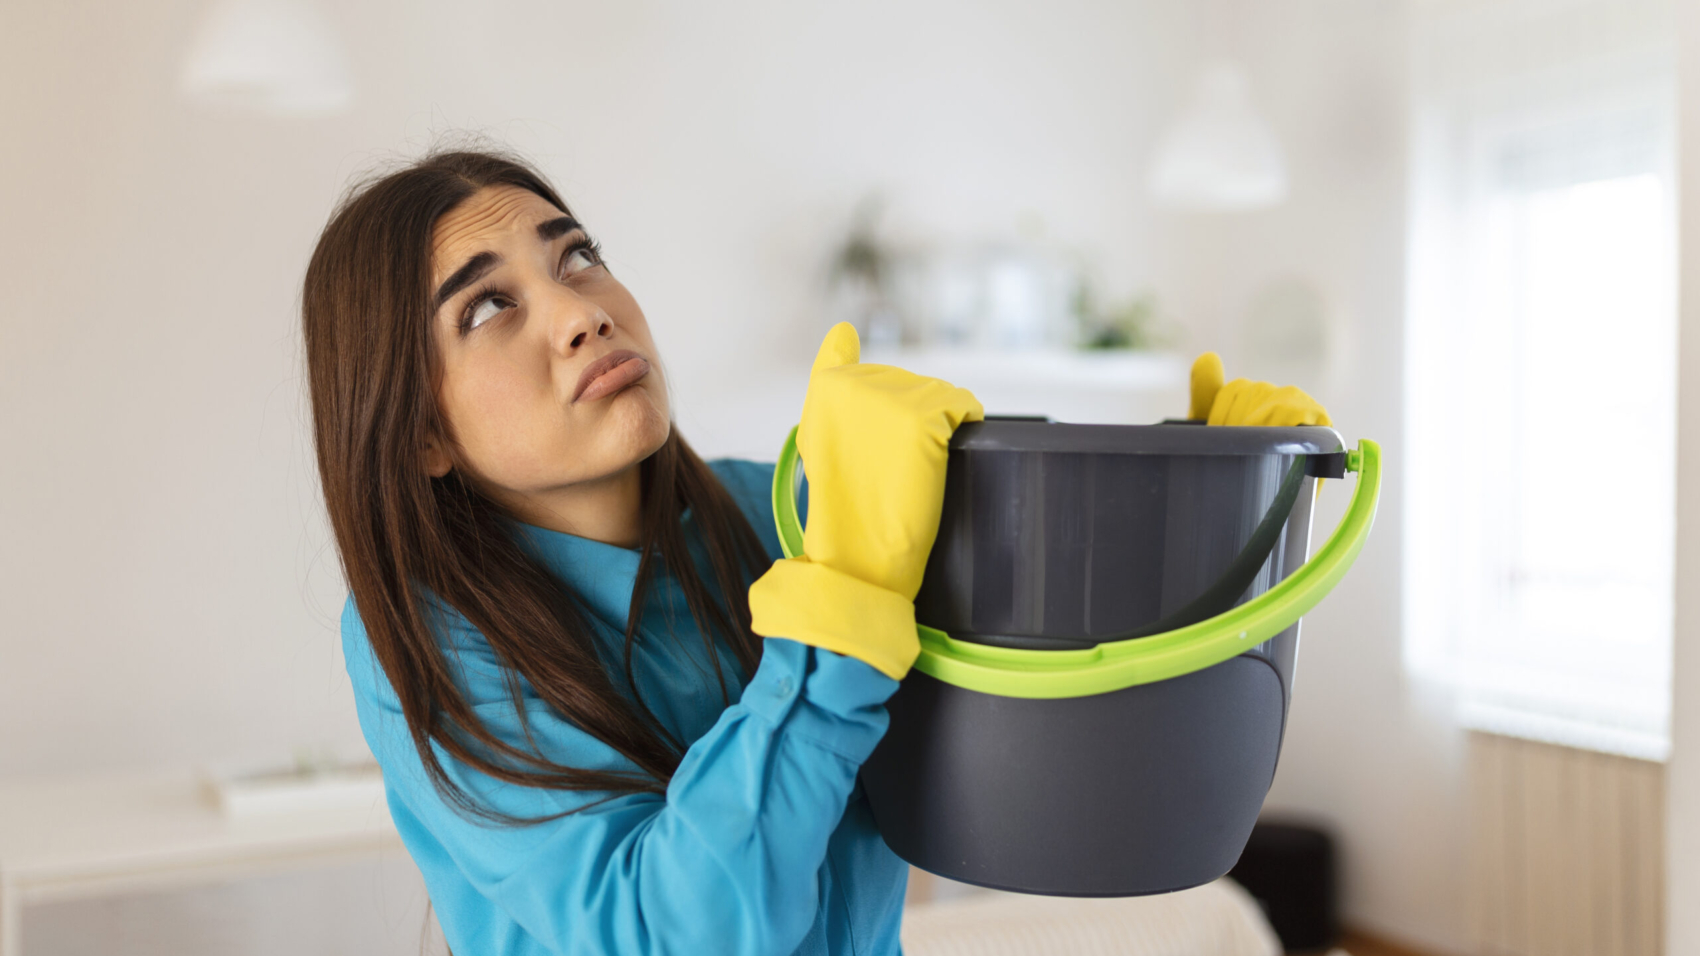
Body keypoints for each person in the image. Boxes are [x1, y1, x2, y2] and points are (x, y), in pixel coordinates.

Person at [301, 148, 1330, 956]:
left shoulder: (778, 510)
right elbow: (673, 932)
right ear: (419, 433)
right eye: (490, 306)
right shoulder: (426, 638)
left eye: (576, 255)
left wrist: (1214, 496)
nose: (582, 310)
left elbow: (1057, 698)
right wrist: (838, 598)